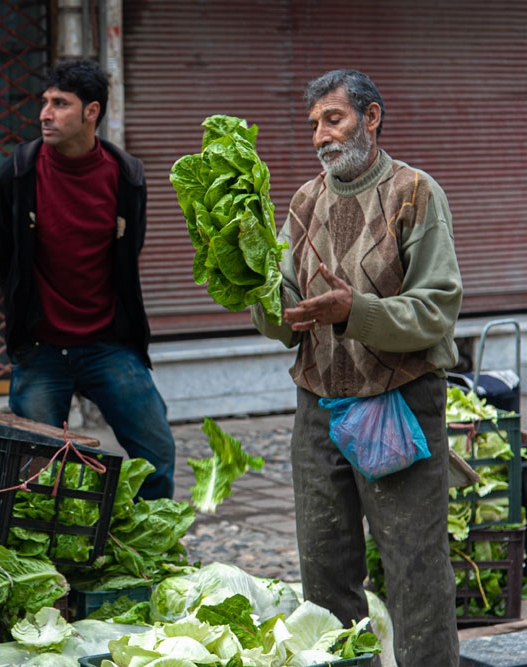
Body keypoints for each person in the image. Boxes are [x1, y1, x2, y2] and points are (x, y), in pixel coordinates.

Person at [252, 70, 462, 666]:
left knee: (414, 566)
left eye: (333, 119)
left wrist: (356, 311)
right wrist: (259, 298)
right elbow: (281, 313)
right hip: (318, 404)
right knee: (323, 565)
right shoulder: (302, 201)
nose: (320, 135)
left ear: (371, 118)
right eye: (313, 124)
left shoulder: (415, 193)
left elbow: (437, 310)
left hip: (399, 400)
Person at [0, 59, 176, 500]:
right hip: (41, 346)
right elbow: (1, 255)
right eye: (44, 102)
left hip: (107, 342)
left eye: (60, 104)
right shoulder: (17, 173)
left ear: (92, 112)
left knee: (156, 453)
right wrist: (29, 314)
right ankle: (41, 560)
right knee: (31, 469)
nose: (45, 114)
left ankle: (150, 550)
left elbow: (130, 252)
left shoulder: (126, 175)